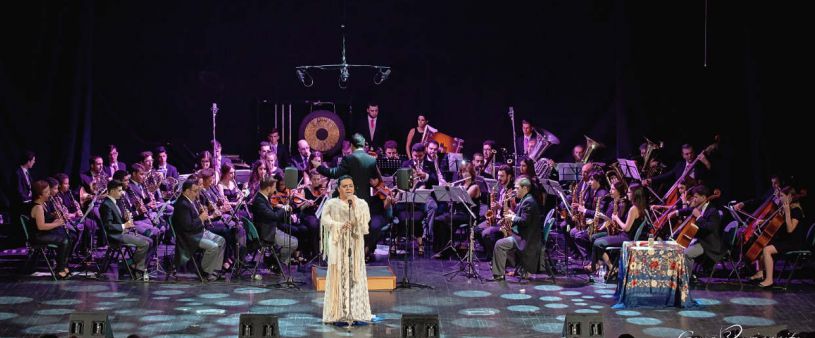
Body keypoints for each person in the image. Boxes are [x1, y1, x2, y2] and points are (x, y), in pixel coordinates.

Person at [320, 175, 373, 325]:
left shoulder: (361, 203)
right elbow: (324, 219)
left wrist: (355, 212)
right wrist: (338, 225)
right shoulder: (332, 203)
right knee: (338, 275)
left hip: (354, 243)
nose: (348, 188)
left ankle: (355, 312)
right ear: (338, 189)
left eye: (350, 185)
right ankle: (337, 313)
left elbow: (365, 221)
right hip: (338, 242)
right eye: (345, 186)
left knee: (354, 274)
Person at [748, 186, 805, 288]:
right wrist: (762, 221)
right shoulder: (786, 207)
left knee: (767, 250)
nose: (780, 198)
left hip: (794, 243)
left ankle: (769, 280)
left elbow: (790, 229)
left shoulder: (796, 211)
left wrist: (787, 213)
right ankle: (760, 273)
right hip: (786, 240)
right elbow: (776, 222)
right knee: (763, 243)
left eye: (782, 196)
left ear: (790, 197)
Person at [171, 177, 226, 282]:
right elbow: (187, 227)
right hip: (189, 237)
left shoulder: (191, 201)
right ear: (187, 191)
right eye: (195, 191)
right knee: (213, 247)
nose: (197, 194)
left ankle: (215, 270)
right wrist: (201, 218)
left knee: (222, 240)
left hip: (199, 232)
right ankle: (205, 271)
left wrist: (203, 214)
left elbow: (195, 221)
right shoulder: (182, 204)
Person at [489, 177, 541, 281]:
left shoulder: (528, 202)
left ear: (525, 188)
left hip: (526, 239)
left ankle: (499, 274)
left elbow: (524, 221)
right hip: (525, 235)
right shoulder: (526, 199)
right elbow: (524, 217)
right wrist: (513, 214)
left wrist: (512, 217)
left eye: (517, 188)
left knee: (499, 244)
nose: (515, 191)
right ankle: (508, 269)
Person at [99, 179, 152, 280]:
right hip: (115, 236)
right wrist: (125, 225)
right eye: (119, 190)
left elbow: (119, 219)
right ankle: (137, 269)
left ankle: (132, 265)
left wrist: (126, 217)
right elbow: (108, 226)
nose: (121, 193)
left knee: (150, 240)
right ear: (112, 191)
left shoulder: (115, 202)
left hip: (123, 232)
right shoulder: (106, 205)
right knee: (145, 244)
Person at [25, 180, 75, 279]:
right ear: (39, 195)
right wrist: (57, 223)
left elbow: (45, 219)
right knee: (64, 241)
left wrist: (55, 217)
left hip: (43, 233)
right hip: (38, 236)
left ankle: (64, 265)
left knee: (69, 237)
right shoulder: (38, 207)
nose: (49, 194)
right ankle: (60, 269)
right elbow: (41, 226)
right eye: (47, 192)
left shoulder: (43, 204)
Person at [251, 176, 299, 268]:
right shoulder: (259, 201)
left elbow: (267, 211)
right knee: (294, 243)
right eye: (273, 187)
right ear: (268, 188)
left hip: (268, 228)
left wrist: (278, 206)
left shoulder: (261, 197)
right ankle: (280, 262)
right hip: (267, 233)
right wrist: (284, 208)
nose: (274, 190)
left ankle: (275, 260)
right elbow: (274, 216)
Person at [676, 185, 723, 276]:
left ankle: (686, 279)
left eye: (696, 197)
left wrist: (699, 217)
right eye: (694, 197)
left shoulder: (713, 211)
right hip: (700, 241)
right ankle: (678, 276)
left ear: (704, 197)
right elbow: (689, 210)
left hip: (708, 244)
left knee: (686, 254)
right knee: (677, 249)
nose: (694, 199)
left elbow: (710, 228)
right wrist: (676, 212)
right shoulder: (700, 207)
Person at [317, 134, 379, 203]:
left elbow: (334, 173)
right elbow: (375, 181)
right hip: (365, 200)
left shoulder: (348, 159)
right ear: (363, 145)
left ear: (352, 145)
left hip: (351, 199)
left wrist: (319, 167)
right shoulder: (372, 160)